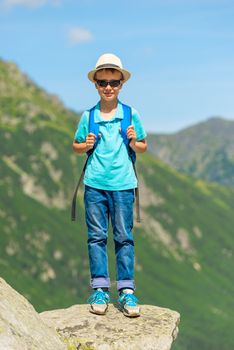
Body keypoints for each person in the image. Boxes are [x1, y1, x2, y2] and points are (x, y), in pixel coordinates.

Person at [72, 53, 147, 317]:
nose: (108, 87)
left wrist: (134, 141)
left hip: (124, 184)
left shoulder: (130, 114)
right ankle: (100, 289)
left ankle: (126, 291)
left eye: (113, 82)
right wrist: (86, 145)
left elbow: (143, 146)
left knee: (124, 237)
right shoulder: (88, 116)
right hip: (95, 185)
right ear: (95, 84)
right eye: (102, 82)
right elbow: (77, 145)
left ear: (121, 84)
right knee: (96, 237)